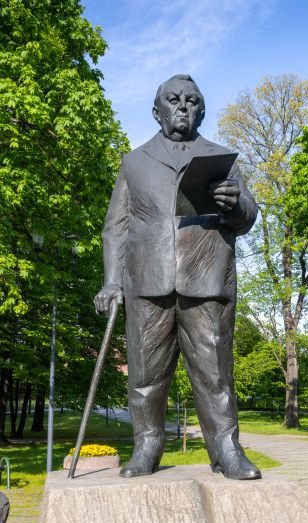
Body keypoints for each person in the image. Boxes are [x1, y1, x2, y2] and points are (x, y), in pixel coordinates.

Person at [94, 74, 260, 480]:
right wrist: (111, 282)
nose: (182, 106)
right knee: (146, 373)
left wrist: (234, 206)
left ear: (201, 110)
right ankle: (147, 445)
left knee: (215, 372)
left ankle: (226, 448)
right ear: (157, 111)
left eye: (191, 100)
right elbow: (115, 227)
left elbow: (248, 217)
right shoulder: (134, 161)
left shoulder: (222, 160)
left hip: (206, 278)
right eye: (173, 100)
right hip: (146, 280)